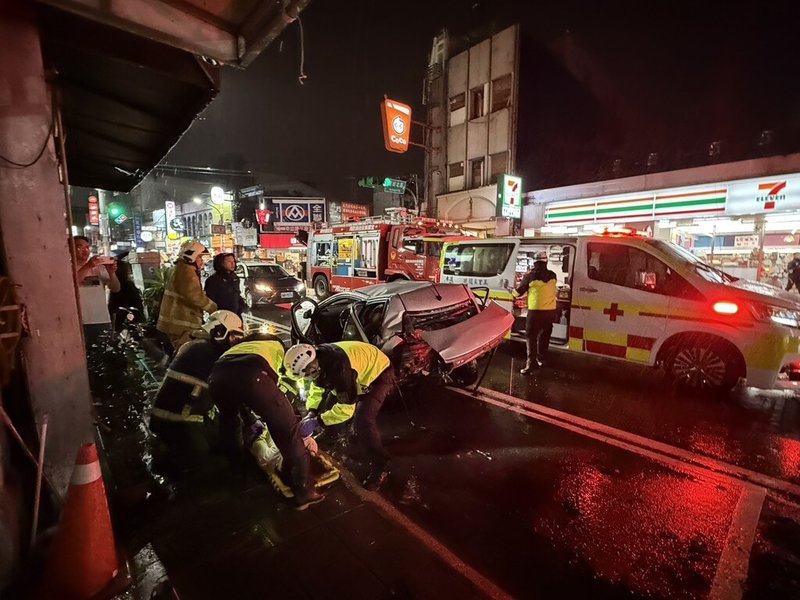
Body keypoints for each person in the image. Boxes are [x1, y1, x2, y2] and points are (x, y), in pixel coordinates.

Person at [208, 335, 325, 510]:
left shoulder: (260, 343)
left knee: (229, 420)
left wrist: (251, 418)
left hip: (216, 377)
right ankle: (304, 491)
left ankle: (235, 466)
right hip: (252, 375)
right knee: (288, 432)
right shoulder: (277, 356)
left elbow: (240, 390)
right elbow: (267, 396)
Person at [284, 341, 394, 491]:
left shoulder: (338, 369)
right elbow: (317, 387)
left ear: (312, 366)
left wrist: (318, 421)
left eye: (308, 374)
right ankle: (332, 435)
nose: (308, 377)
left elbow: (346, 409)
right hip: (356, 371)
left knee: (363, 421)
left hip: (378, 374)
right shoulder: (317, 361)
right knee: (328, 405)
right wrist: (312, 411)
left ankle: (381, 465)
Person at [149, 310, 245, 473]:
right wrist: (237, 454)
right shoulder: (213, 354)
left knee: (217, 439)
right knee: (211, 465)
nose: (235, 341)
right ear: (221, 332)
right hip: (179, 421)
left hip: (165, 417)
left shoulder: (196, 345)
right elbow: (231, 404)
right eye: (234, 336)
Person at [157, 240, 218, 352]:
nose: (201, 261)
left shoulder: (180, 268)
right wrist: (214, 308)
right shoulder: (186, 271)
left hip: (176, 322)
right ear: (192, 257)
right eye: (199, 258)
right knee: (184, 353)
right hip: (181, 324)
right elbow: (194, 295)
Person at [512, 251, 558, 373]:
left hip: (536, 311)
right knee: (544, 336)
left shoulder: (530, 276)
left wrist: (510, 290)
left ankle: (531, 364)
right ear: (546, 261)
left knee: (531, 337)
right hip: (550, 311)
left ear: (534, 262)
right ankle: (542, 359)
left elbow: (518, 293)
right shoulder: (553, 275)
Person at [72, 235, 120, 349]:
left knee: (103, 354)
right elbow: (71, 284)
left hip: (101, 319)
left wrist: (111, 273)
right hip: (77, 321)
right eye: (79, 247)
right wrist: (88, 266)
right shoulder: (67, 267)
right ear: (70, 249)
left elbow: (116, 288)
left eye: (87, 247)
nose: (85, 250)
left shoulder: (99, 268)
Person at [107, 259, 144, 332]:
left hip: (121, 317)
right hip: (132, 315)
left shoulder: (117, 286)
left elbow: (113, 304)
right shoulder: (129, 285)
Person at [204, 253, 245, 317]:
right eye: (229, 261)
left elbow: (237, 294)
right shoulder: (213, 280)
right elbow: (210, 299)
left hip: (235, 315)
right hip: (220, 316)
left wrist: (241, 306)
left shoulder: (234, 277)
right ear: (221, 263)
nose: (232, 264)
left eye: (233, 261)